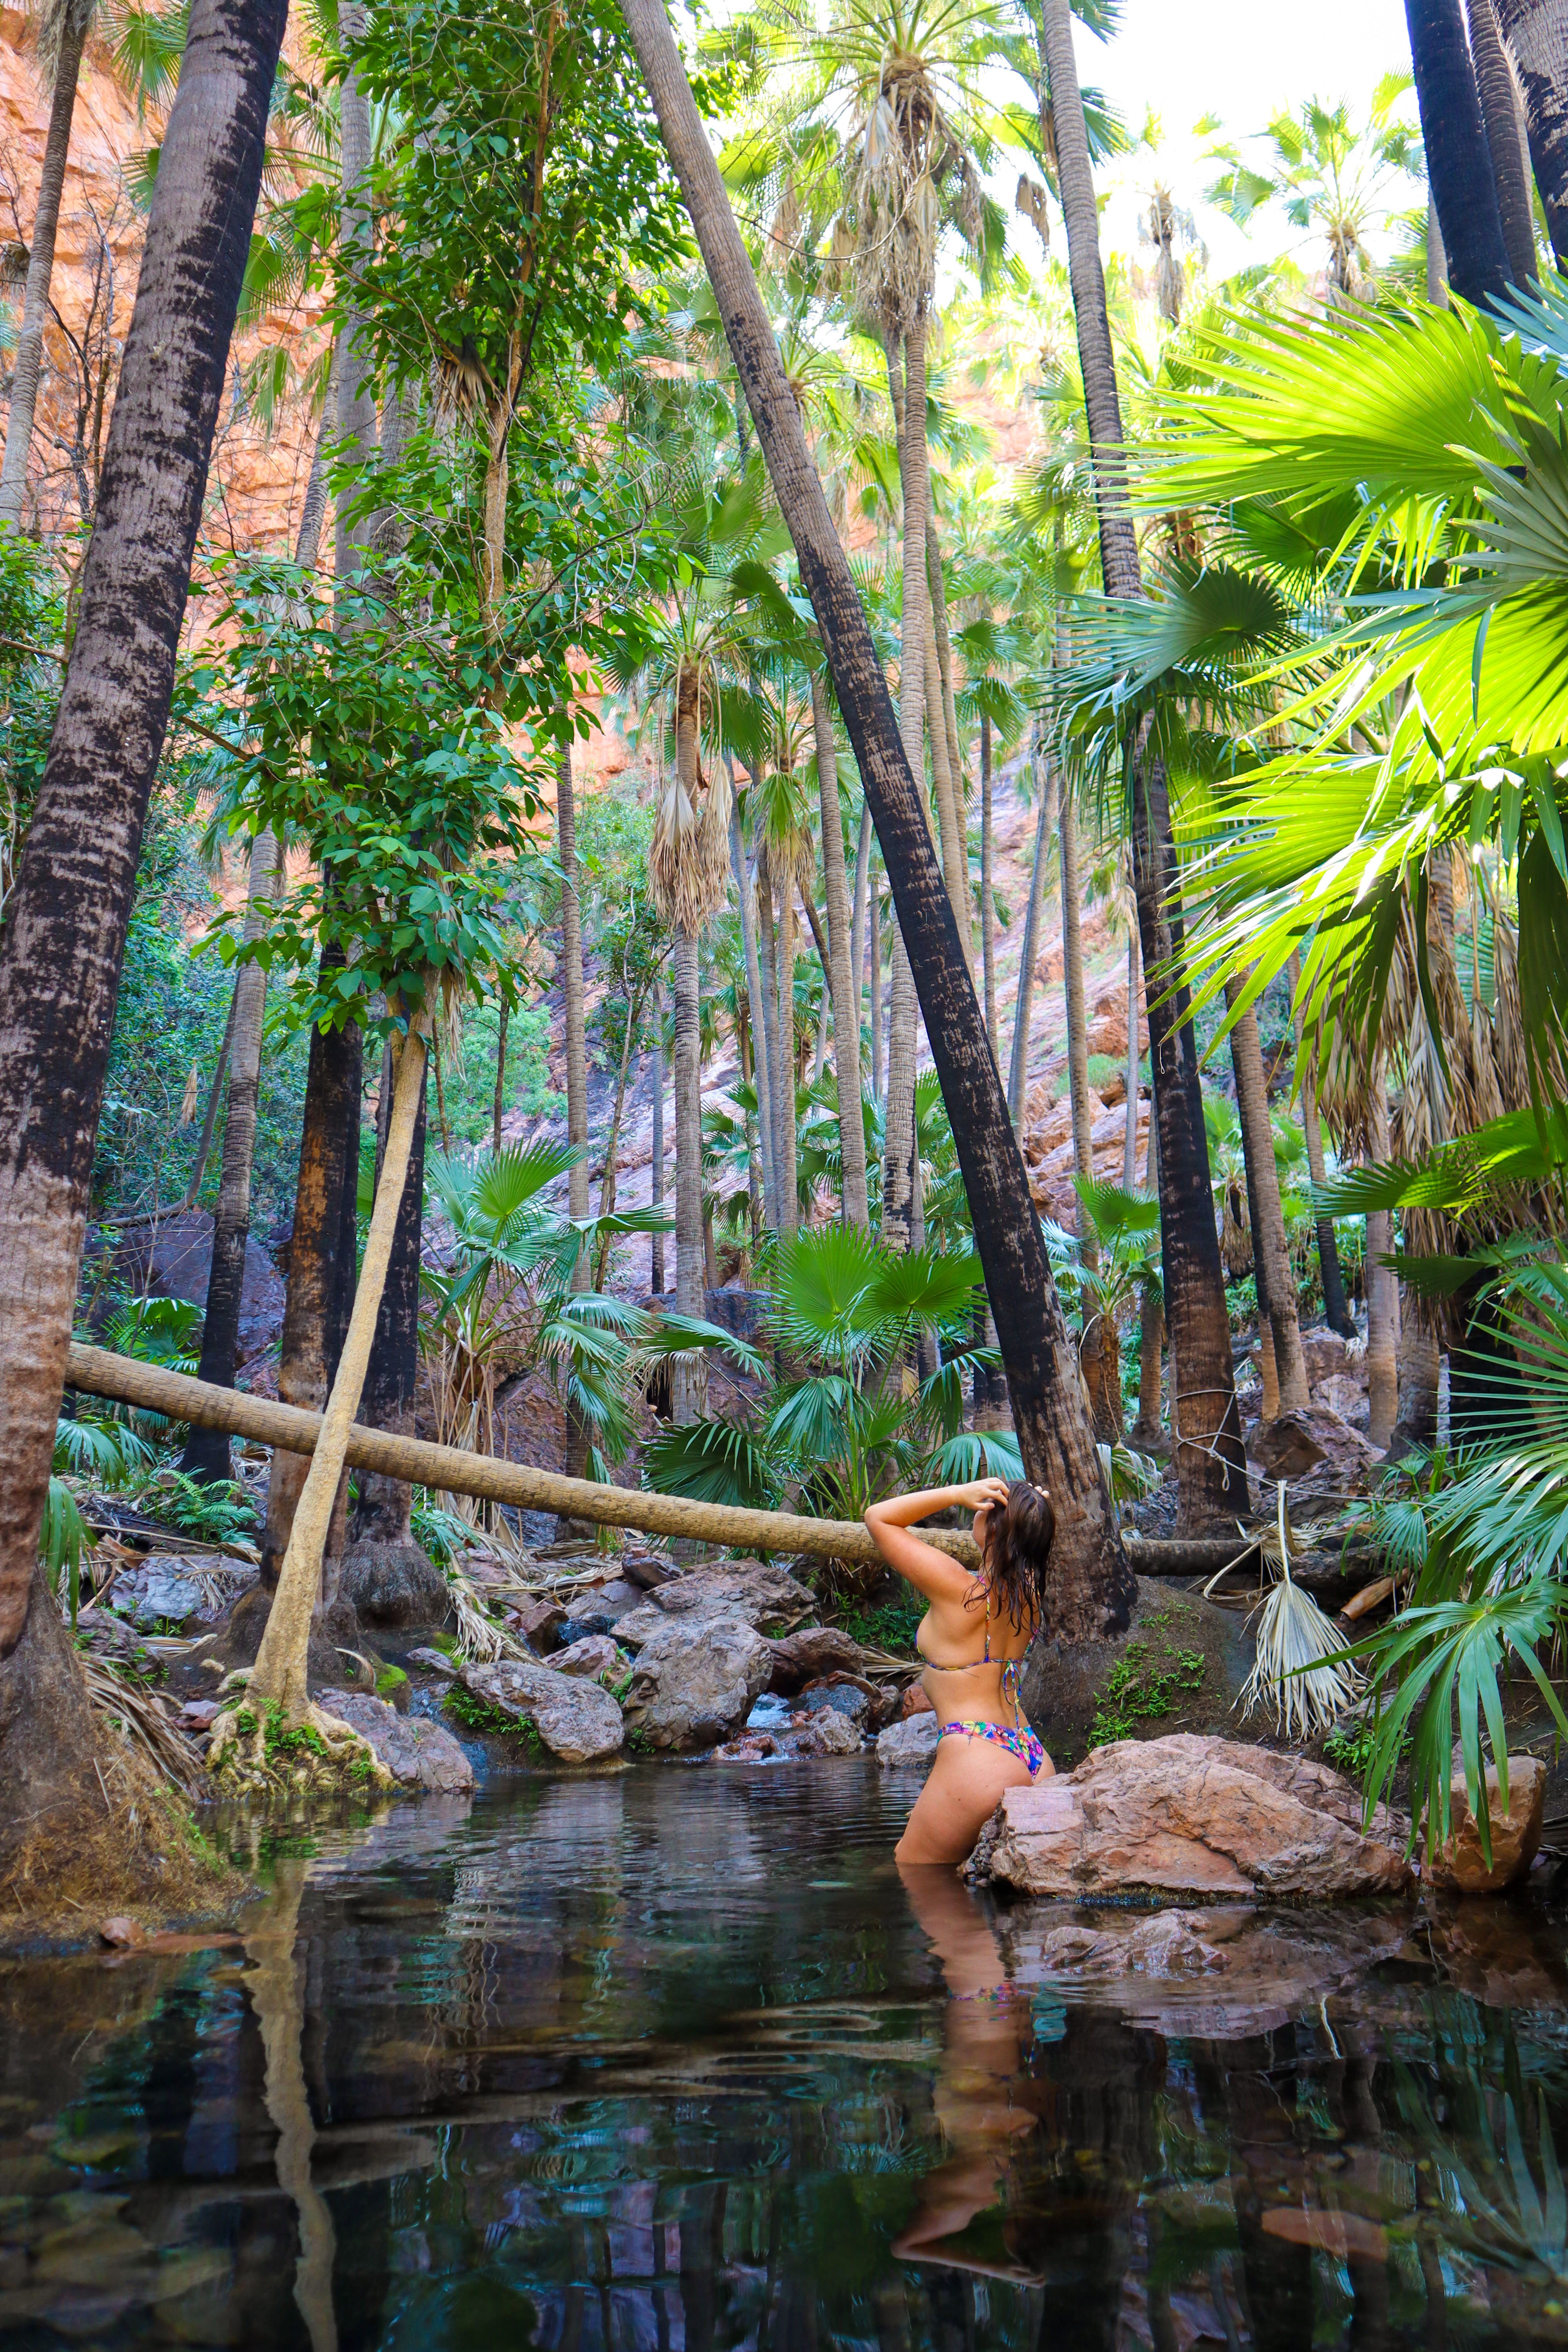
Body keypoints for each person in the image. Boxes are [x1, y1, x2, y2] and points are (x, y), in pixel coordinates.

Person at [864, 1476, 1055, 1866]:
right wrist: (1033, 1512)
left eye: (982, 1511)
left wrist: (957, 1494)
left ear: (994, 1528)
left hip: (978, 1756)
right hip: (1033, 1756)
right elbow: (1022, 1548)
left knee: (915, 1876)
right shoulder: (1030, 1595)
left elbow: (878, 1518)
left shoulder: (959, 1589)